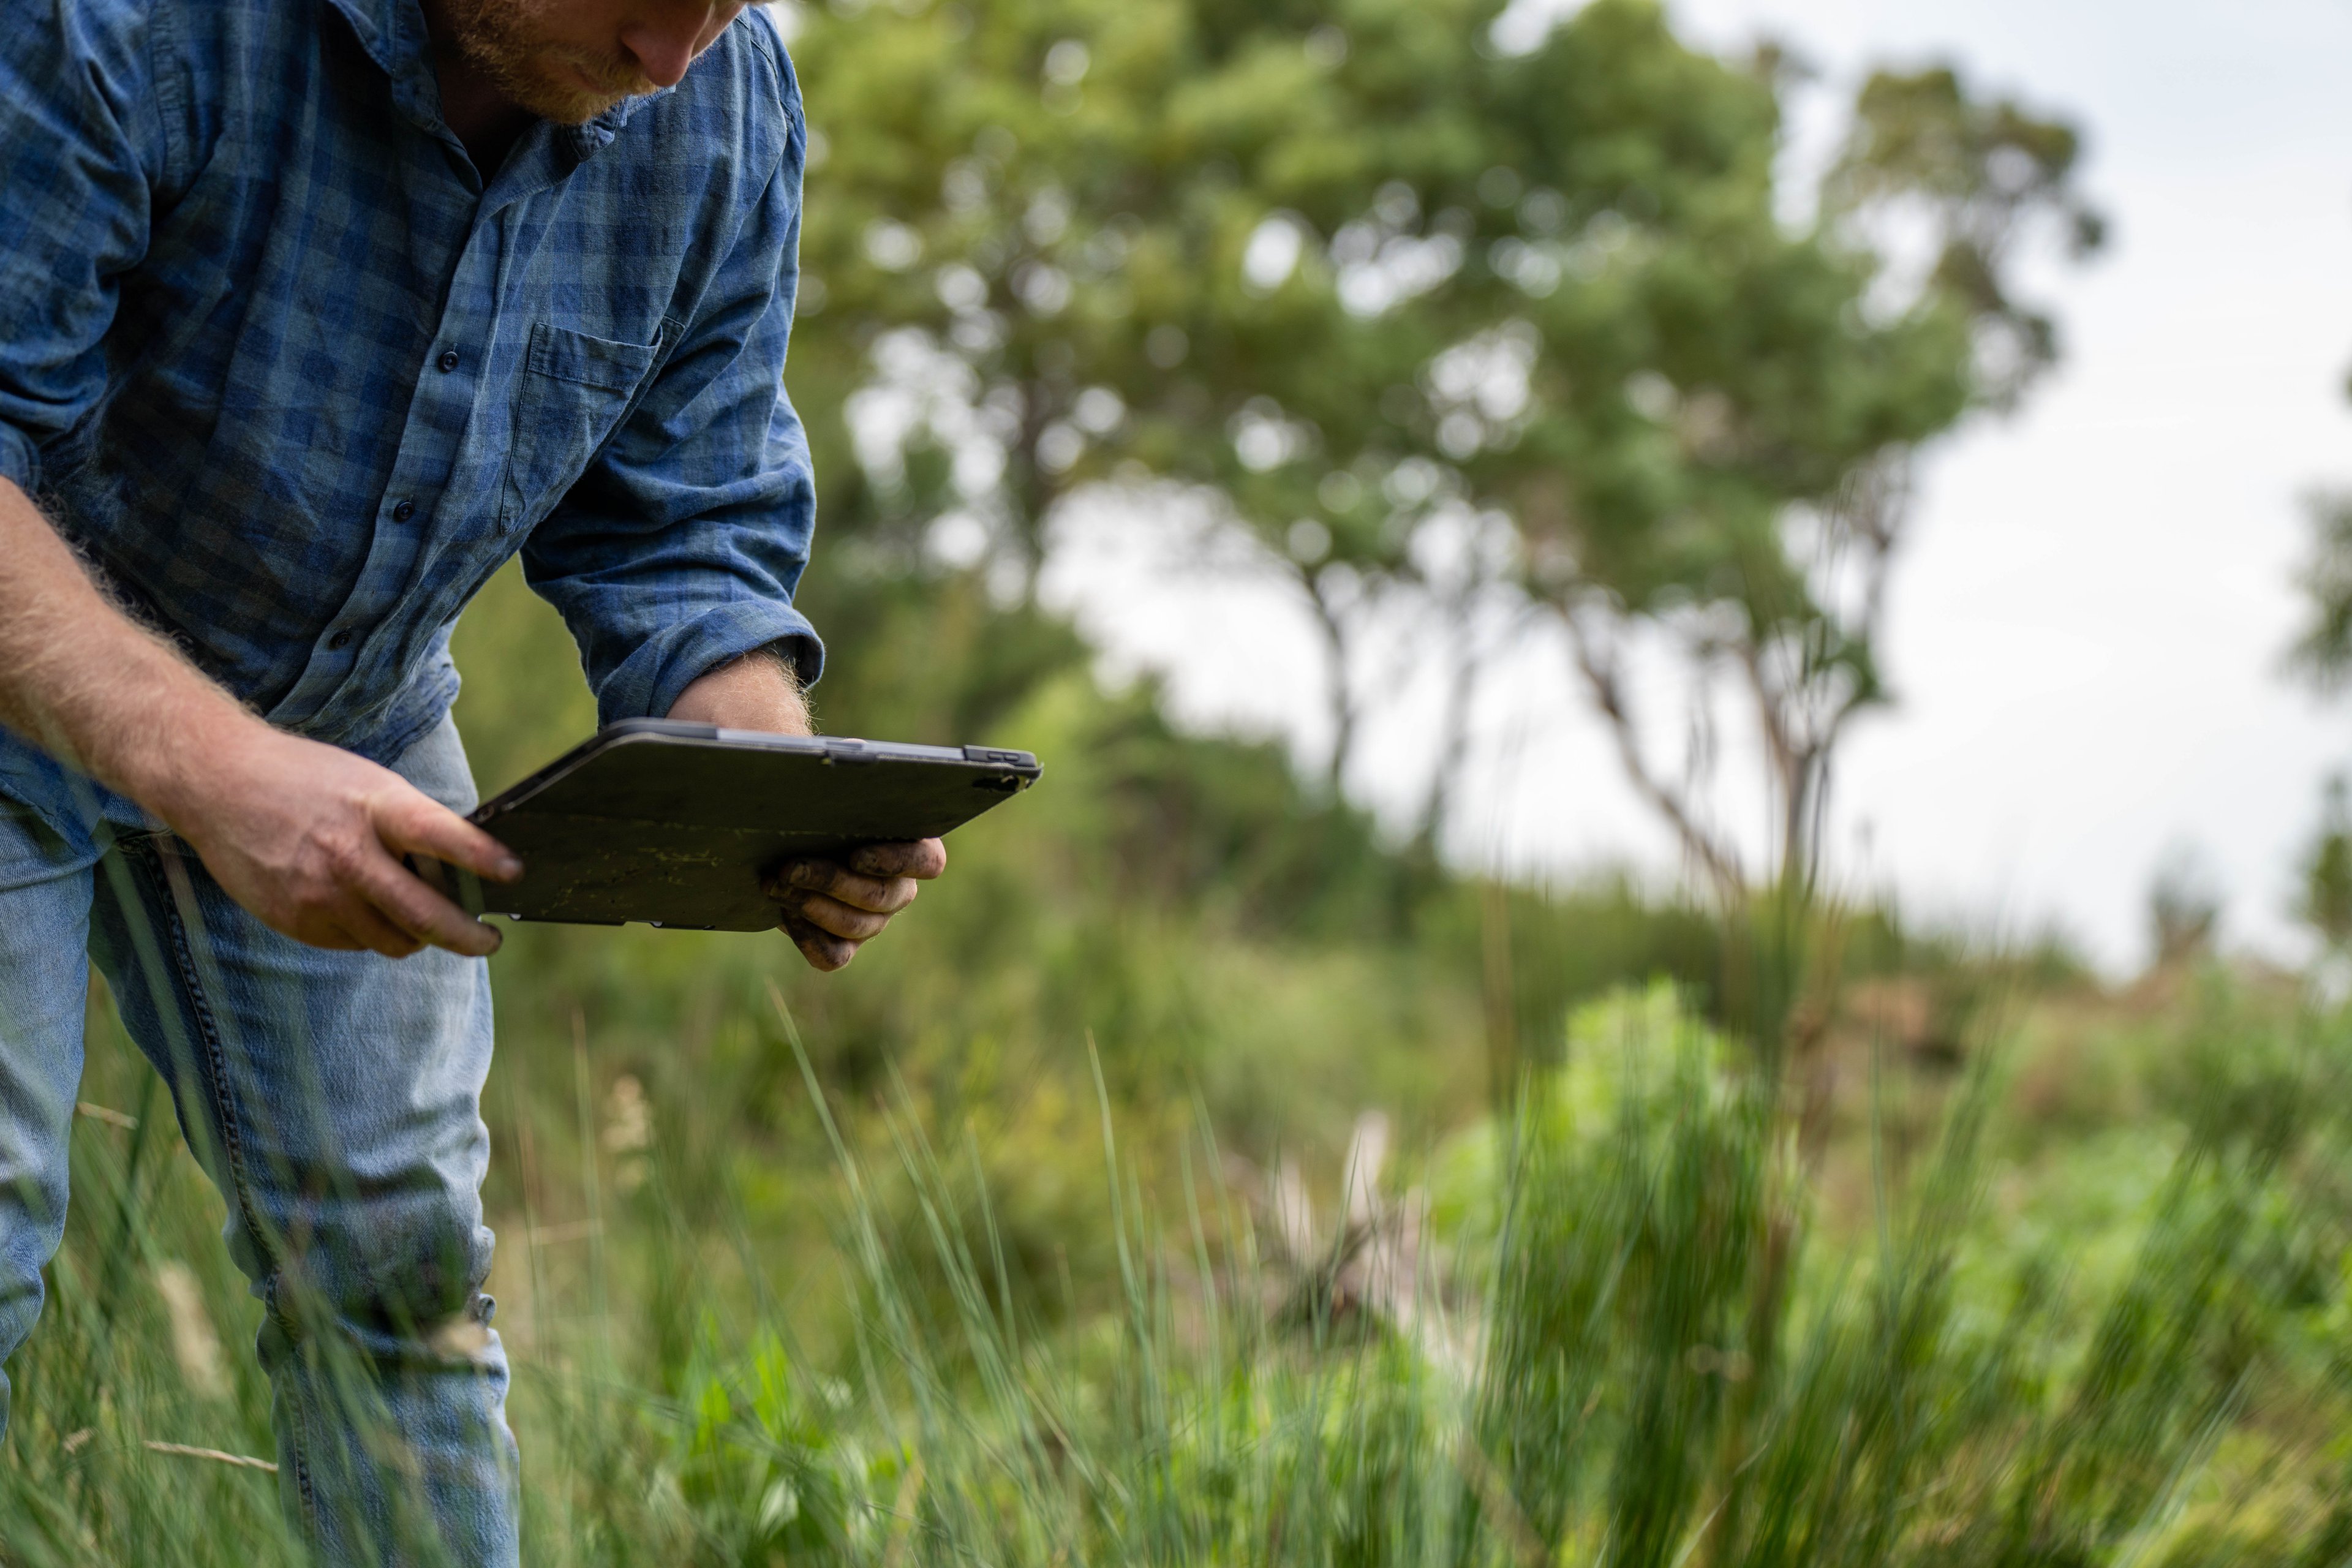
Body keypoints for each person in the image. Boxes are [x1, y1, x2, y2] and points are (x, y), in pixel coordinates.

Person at [0, 0, 936, 1558]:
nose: (673, 58)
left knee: (405, 1298)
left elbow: (682, 523)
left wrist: (770, 777)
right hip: (21, 658)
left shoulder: (722, 101)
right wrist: (221, 767)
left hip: (353, 709)